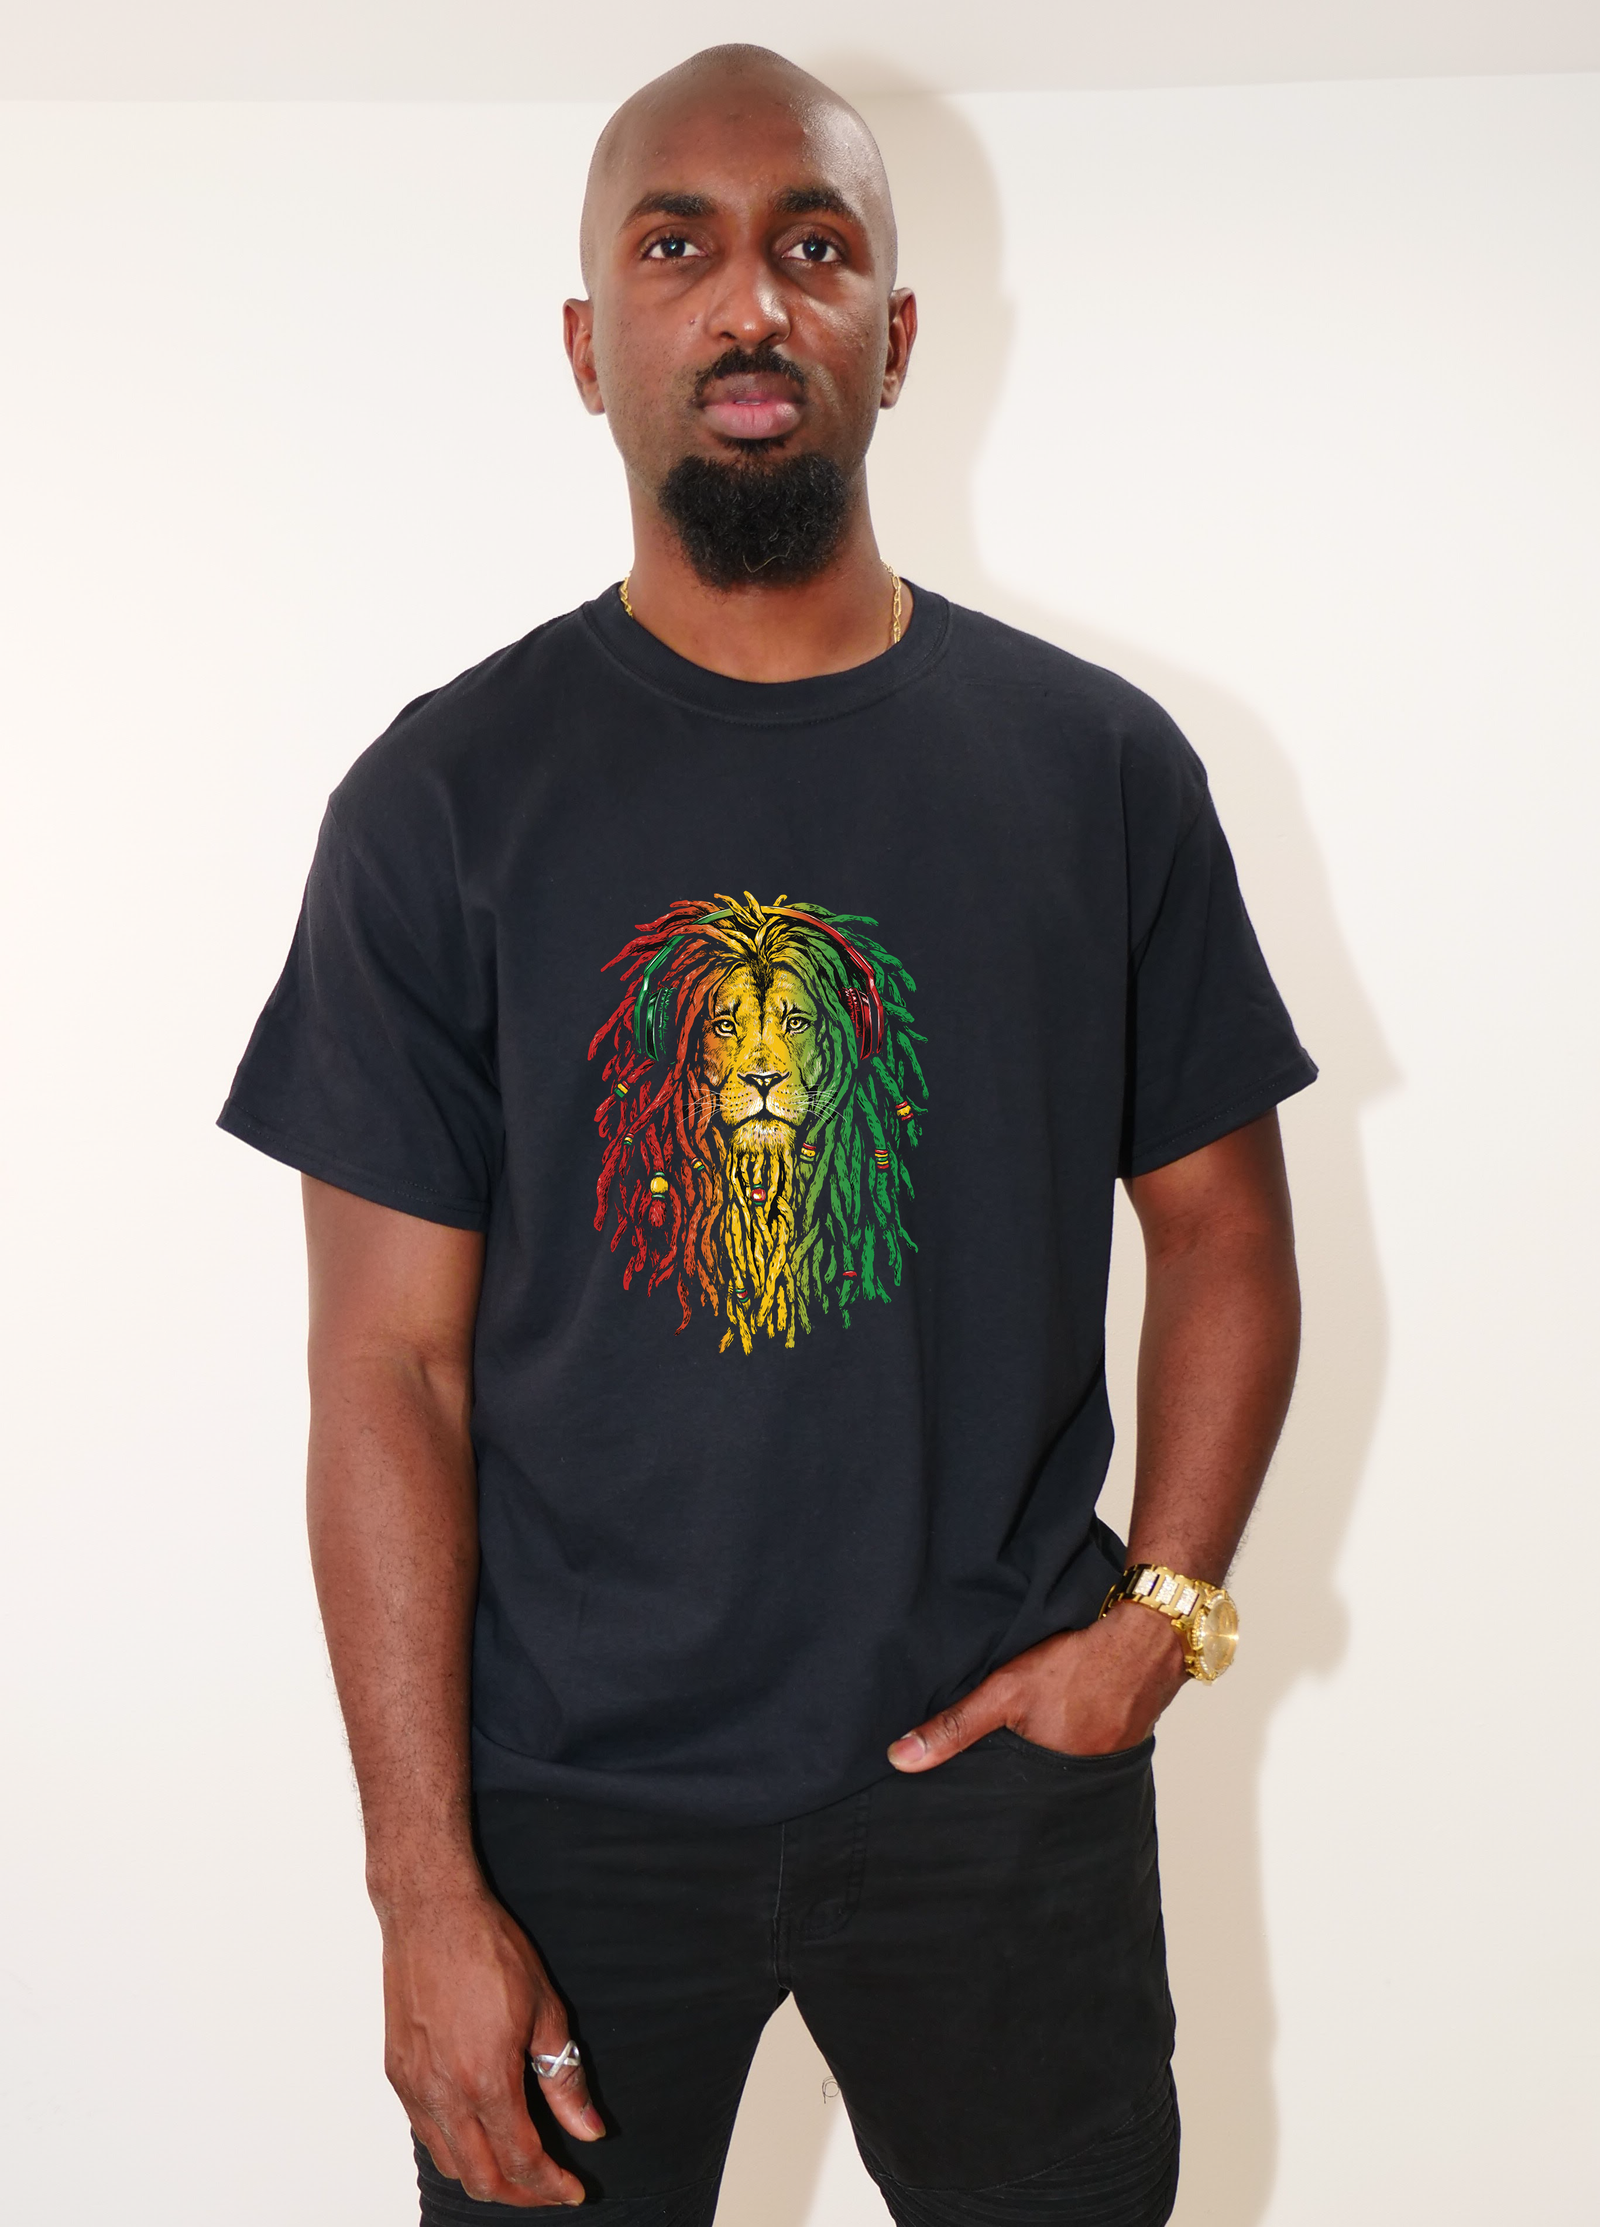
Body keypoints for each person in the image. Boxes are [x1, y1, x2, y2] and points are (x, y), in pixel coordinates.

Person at [220, 43, 1313, 2227]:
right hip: (569, 1807)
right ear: (587, 345)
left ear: (892, 337)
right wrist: (422, 1888)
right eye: (678, 247)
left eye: (814, 249)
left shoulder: (1095, 771)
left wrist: (1159, 1621)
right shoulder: (443, 801)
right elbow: (384, 1370)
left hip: (995, 1788)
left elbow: (1220, 1231)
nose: (748, 303)